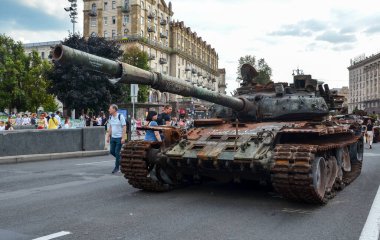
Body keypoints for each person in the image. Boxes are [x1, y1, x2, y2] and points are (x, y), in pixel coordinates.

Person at [107, 104, 127, 174]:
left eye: (110, 108)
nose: (109, 110)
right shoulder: (110, 117)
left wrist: (123, 138)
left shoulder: (120, 116)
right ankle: (121, 160)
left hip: (119, 137)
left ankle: (117, 168)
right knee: (112, 151)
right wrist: (108, 137)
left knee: (117, 152)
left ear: (114, 109)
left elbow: (124, 127)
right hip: (113, 137)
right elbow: (110, 127)